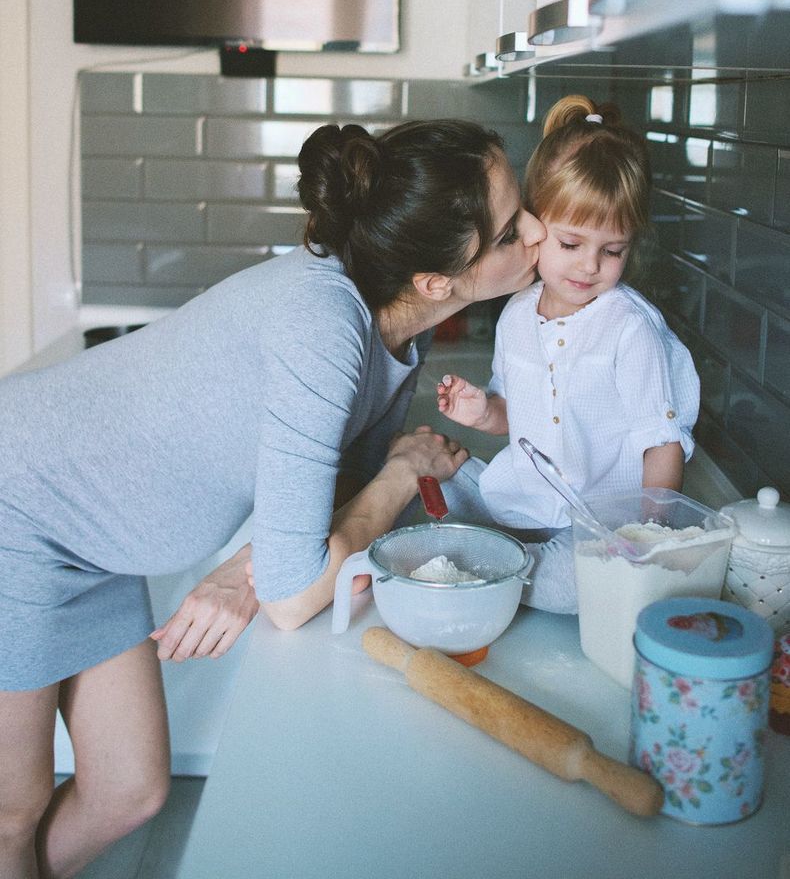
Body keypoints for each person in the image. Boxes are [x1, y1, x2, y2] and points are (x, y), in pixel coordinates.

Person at [0, 118, 544, 878]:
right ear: (436, 280)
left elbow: (331, 496)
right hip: (19, 503)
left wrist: (247, 567)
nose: (539, 232)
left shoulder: (391, 332)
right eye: (513, 230)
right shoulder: (323, 327)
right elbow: (297, 592)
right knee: (12, 811)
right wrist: (398, 476)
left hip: (93, 538)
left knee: (129, 792)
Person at [436, 95, 699, 603]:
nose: (588, 267)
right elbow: (520, 415)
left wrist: (647, 534)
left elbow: (661, 442)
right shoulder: (516, 315)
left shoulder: (629, 329)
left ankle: (497, 567)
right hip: (525, 506)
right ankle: (503, 561)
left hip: (599, 527)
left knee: (569, 583)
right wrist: (482, 410)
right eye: (571, 244)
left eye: (612, 250)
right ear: (534, 226)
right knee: (435, 484)